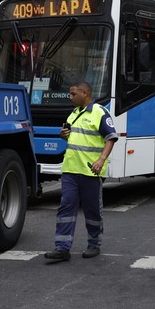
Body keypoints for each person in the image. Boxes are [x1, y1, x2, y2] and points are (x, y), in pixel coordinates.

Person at [45, 81, 118, 263]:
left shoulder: (99, 112)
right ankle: (62, 248)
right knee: (66, 208)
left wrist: (101, 160)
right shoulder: (74, 113)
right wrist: (65, 135)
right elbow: (75, 136)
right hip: (70, 170)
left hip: (90, 172)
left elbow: (111, 137)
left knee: (92, 210)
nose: (70, 98)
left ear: (85, 93)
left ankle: (94, 244)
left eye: (73, 94)